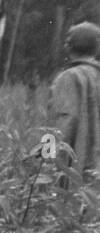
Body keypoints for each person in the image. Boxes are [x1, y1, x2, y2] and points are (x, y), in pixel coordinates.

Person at [50, 21, 100, 187]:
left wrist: (46, 158)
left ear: (68, 46)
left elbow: (63, 123)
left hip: (76, 168)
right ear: (96, 48)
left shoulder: (68, 77)